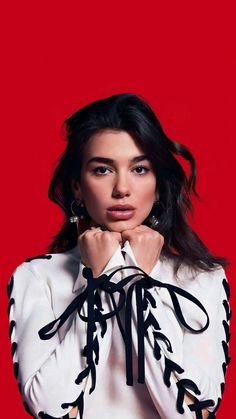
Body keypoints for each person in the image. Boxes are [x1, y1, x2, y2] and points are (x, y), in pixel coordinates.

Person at [7, 93, 231, 419]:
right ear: (77, 186)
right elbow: (51, 411)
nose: (122, 188)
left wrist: (133, 279)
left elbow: (190, 413)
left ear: (158, 184)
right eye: (102, 170)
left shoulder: (202, 278)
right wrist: (101, 282)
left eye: (140, 169)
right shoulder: (38, 277)